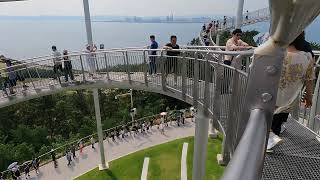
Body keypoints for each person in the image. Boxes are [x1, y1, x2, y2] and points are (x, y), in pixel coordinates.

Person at [267, 33, 314, 150]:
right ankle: (272, 139)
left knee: (262, 118)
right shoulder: (307, 56)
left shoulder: (276, 54)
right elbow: (309, 79)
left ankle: (269, 140)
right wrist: (309, 96)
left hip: (271, 95)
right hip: (289, 98)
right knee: (277, 120)